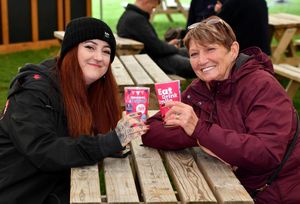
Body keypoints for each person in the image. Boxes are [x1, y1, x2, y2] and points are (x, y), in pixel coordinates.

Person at [142, 16, 300, 203]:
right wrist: (201, 136)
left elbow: (266, 154)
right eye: (194, 54)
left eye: (210, 49)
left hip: (277, 192)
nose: (201, 60)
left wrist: (201, 130)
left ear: (233, 50)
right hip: (229, 183)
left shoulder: (262, 85)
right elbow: (150, 131)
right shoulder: (201, 88)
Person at [0, 17, 148, 204]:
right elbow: (44, 150)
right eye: (90, 47)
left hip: (56, 189)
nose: (99, 57)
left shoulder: (89, 88)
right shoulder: (34, 92)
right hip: (18, 192)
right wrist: (109, 141)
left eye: (106, 51)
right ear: (70, 50)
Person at [117, 0, 195, 78]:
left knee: (192, 51)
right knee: (195, 65)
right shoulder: (135, 19)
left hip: (150, 57)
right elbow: (157, 48)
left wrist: (168, 46)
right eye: (153, 7)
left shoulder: (129, 15)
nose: (152, 10)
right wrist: (173, 48)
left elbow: (152, 43)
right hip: (152, 61)